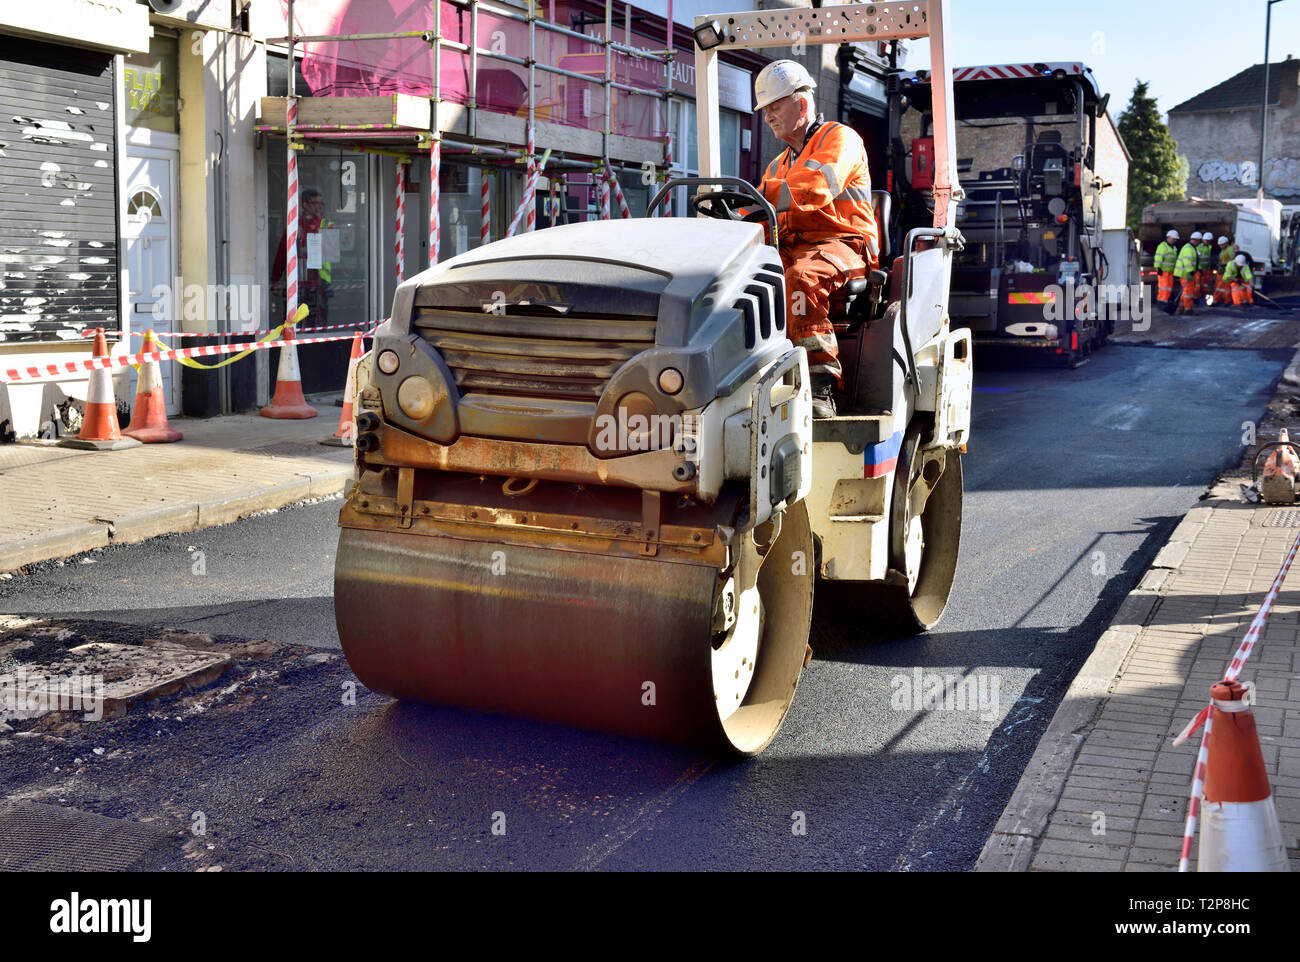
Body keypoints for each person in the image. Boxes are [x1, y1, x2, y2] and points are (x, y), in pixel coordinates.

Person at [753, 59, 878, 419]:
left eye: (774, 107)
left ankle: (821, 385)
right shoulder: (778, 165)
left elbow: (813, 189)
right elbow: (766, 216)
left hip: (845, 243)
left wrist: (755, 196)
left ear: (801, 104)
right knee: (741, 279)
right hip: (797, 245)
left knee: (800, 280)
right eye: (765, 110)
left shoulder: (840, 139)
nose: (767, 117)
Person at [271, 188, 333, 325]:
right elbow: (282, 254)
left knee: (318, 323)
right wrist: (275, 280)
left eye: (321, 203)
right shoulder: (295, 225)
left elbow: (332, 255)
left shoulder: (325, 225)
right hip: (297, 284)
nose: (319, 207)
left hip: (319, 285)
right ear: (304, 204)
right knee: (293, 322)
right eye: (315, 203)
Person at [1173, 231, 1199, 315]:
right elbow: (1187, 261)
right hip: (1186, 273)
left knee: (1185, 291)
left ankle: (1181, 308)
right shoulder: (1189, 248)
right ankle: (1188, 309)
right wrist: (1191, 270)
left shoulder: (1190, 247)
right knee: (1188, 292)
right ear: (1196, 240)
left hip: (1186, 273)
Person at [1154, 229, 1179, 312]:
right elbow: (1158, 258)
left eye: (1175, 239)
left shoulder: (1174, 248)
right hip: (1163, 271)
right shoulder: (1162, 246)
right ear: (1168, 238)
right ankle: (1161, 303)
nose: (1175, 240)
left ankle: (1165, 302)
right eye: (1173, 239)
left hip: (1170, 272)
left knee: (1168, 288)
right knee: (1164, 288)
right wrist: (1158, 268)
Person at [1213, 235, 1235, 305]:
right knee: (1221, 287)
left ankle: (1217, 300)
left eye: (1222, 245)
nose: (1221, 246)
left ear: (1226, 243)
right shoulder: (1223, 250)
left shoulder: (1230, 249)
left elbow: (1232, 259)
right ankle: (1223, 300)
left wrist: (1224, 264)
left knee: (1221, 287)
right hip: (1221, 271)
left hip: (1225, 271)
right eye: (1220, 245)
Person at [1195, 231, 1214, 302]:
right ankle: (1196, 297)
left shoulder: (1210, 247)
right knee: (1197, 284)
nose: (1207, 242)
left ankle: (1204, 297)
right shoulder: (1199, 247)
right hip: (1199, 269)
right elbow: (1197, 258)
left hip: (1207, 269)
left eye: (1209, 241)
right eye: (1206, 240)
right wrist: (1198, 268)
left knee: (1206, 284)